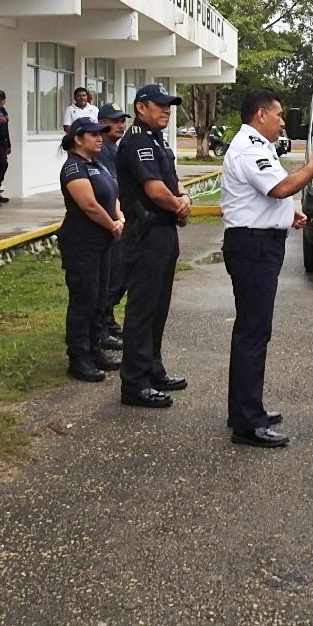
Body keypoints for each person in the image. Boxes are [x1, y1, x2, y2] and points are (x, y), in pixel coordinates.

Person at [221, 90, 313, 447]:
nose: (283, 121)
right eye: (278, 115)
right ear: (261, 115)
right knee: (253, 332)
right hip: (252, 246)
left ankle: (245, 408)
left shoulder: (259, 145)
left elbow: (270, 196)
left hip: (259, 241)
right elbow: (277, 187)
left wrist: (288, 213)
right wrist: (312, 168)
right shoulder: (251, 147)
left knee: (254, 330)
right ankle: (247, 422)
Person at [117, 83, 192, 408]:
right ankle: (134, 383)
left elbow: (172, 183)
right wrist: (178, 205)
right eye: (160, 105)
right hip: (145, 235)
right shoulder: (136, 140)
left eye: (169, 105)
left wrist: (184, 199)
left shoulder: (156, 140)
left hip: (163, 233)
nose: (167, 110)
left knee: (158, 307)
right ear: (141, 107)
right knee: (143, 308)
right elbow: (155, 189)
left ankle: (152, 368)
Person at [57, 116, 125, 382]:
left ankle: (95, 349)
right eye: (93, 134)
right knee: (84, 299)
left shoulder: (95, 164)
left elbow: (113, 195)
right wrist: (112, 224)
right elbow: (89, 205)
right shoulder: (74, 168)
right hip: (82, 243)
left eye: (101, 134)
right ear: (78, 138)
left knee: (99, 298)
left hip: (103, 241)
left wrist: (118, 218)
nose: (100, 138)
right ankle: (79, 357)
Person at [97, 104, 130, 347]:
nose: (120, 125)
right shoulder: (101, 150)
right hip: (110, 222)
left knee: (119, 274)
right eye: (114, 120)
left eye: (122, 121)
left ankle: (107, 319)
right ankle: (102, 325)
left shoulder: (114, 148)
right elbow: (114, 184)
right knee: (112, 276)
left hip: (119, 219)